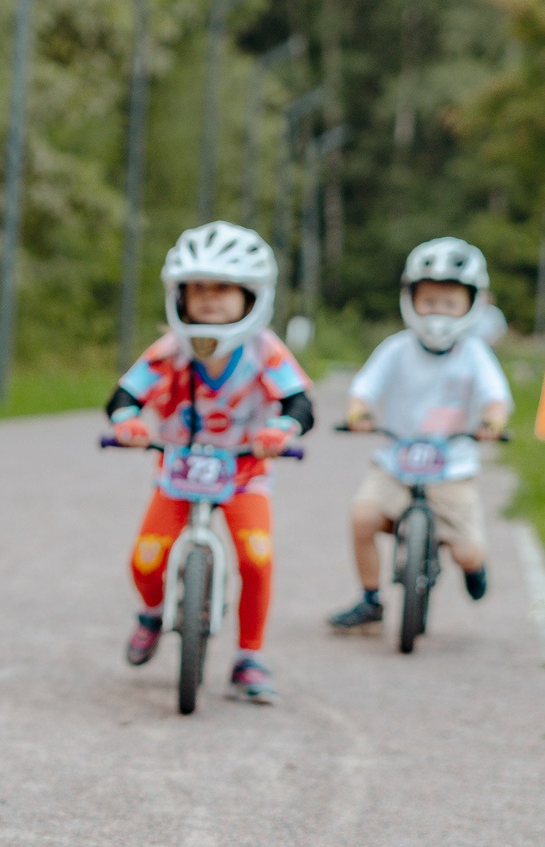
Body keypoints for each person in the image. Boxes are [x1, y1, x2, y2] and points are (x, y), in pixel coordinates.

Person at [104, 222, 314, 703]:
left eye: (224, 288)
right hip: (177, 472)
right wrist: (127, 421)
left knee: (257, 559)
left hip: (245, 473)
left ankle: (249, 656)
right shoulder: (171, 349)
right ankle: (153, 613)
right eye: (198, 288)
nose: (210, 299)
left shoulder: (264, 350)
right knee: (145, 560)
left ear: (252, 296)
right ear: (179, 295)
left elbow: (300, 401)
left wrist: (281, 430)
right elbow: (125, 392)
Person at [327, 237, 511, 634]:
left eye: (449, 303)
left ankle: (474, 568)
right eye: (429, 302)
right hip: (396, 461)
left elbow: (495, 397)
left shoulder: (474, 353)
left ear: (472, 304)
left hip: (453, 467)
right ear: (410, 300)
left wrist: (492, 424)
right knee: (362, 518)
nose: (437, 314)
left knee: (468, 552)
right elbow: (365, 387)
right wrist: (358, 413)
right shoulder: (397, 348)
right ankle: (371, 598)